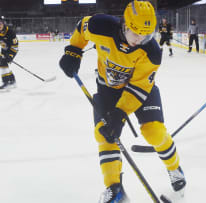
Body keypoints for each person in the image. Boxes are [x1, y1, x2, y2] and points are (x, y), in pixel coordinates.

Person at [59, 1, 186, 202]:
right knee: (104, 134)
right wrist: (73, 50)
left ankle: (174, 168)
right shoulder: (99, 25)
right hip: (108, 90)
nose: (140, 39)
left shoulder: (151, 52)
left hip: (139, 90)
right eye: (135, 33)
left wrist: (120, 113)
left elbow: (140, 87)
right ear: (124, 24)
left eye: (146, 35)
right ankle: (114, 187)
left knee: (154, 132)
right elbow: (81, 27)